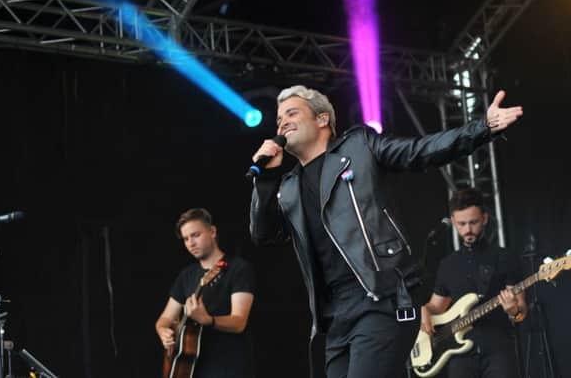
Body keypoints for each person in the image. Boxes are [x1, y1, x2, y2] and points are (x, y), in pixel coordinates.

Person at [249, 85, 523, 378]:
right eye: (278, 119)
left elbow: (420, 151)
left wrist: (482, 127)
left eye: (292, 113)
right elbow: (263, 234)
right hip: (334, 317)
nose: (282, 123)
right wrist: (265, 181)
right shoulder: (288, 187)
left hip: (380, 296)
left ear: (322, 119)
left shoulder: (358, 147)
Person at [420, 188, 527, 378]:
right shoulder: (448, 265)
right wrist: (425, 310)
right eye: (461, 224)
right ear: (453, 222)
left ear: (484, 219)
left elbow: (521, 311)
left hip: (499, 350)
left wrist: (514, 311)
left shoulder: (505, 257)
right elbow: (436, 306)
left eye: (473, 222)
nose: (468, 229)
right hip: (459, 354)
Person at [155, 208, 256, 378]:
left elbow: (239, 322)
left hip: (229, 367)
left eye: (195, 235)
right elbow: (165, 318)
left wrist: (208, 320)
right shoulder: (186, 275)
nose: (190, 243)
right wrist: (163, 331)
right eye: (186, 239)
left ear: (212, 231)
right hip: (192, 368)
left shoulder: (238, 269)